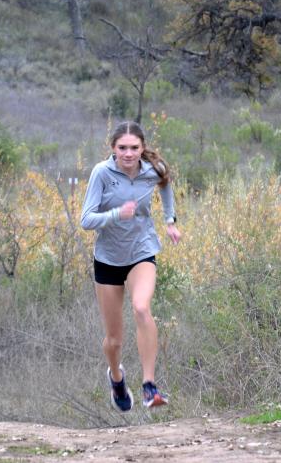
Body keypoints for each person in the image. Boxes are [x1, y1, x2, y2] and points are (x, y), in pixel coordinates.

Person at [80, 121, 182, 411]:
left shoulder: (153, 170)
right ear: (113, 148)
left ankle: (150, 386)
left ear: (142, 148)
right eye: (122, 148)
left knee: (141, 308)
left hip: (142, 250)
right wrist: (115, 214)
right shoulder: (102, 173)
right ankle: (116, 377)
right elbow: (86, 220)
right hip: (108, 259)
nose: (128, 153)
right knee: (114, 340)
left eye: (134, 148)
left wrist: (170, 221)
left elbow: (165, 186)